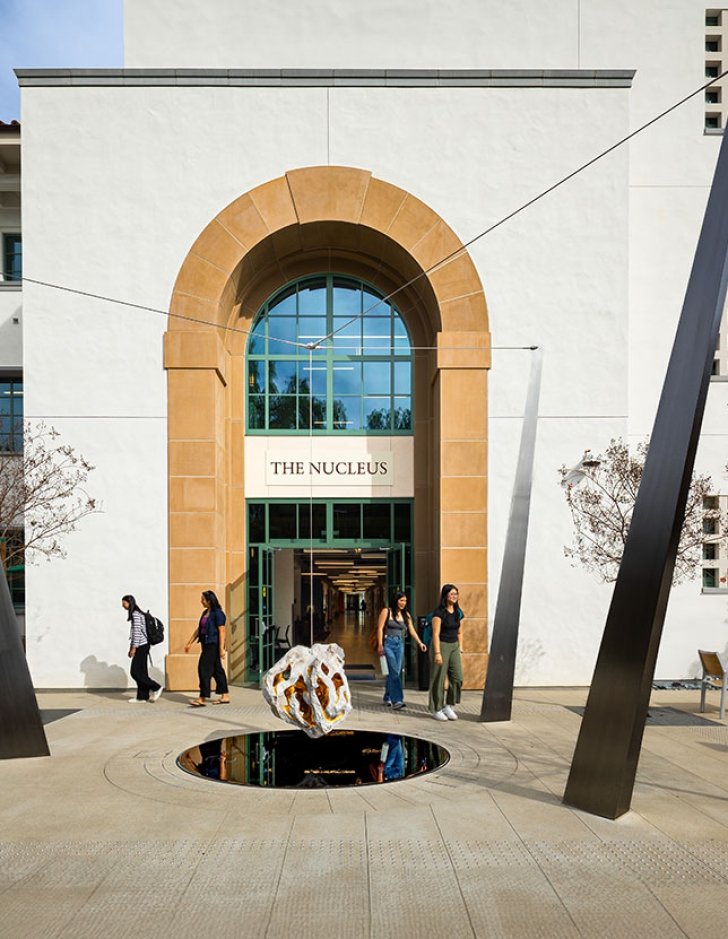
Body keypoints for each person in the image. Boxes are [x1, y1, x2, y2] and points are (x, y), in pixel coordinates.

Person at [376, 591, 427, 710]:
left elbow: (412, 630)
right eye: (401, 600)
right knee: (394, 671)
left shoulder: (406, 615)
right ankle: (397, 700)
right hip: (388, 643)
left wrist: (420, 643)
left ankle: (387, 696)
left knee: (395, 672)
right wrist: (380, 644)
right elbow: (379, 628)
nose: (403, 603)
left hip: (400, 644)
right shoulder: (386, 611)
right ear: (395, 600)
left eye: (405, 601)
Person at [184, 590, 230, 707]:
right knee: (217, 670)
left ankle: (202, 697)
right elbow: (199, 629)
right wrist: (190, 642)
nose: (201, 601)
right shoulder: (205, 612)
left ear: (209, 601)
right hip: (205, 644)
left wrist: (221, 649)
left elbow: (222, 631)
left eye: (203, 599)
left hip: (213, 645)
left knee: (203, 668)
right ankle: (225, 695)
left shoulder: (218, 614)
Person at [429, 584, 464, 721]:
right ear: (445, 596)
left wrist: (460, 646)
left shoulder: (458, 612)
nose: (454, 596)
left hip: (454, 645)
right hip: (441, 645)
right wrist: (437, 653)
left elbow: (460, 631)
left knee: (457, 678)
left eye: (456, 594)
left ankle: (449, 705)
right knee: (439, 678)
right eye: (451, 594)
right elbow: (436, 634)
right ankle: (436, 708)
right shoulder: (439, 613)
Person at [122, 594, 163, 704]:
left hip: (141, 646)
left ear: (129, 602)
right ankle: (142, 697)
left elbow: (137, 633)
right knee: (142, 672)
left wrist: (133, 648)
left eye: (124, 603)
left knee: (135, 672)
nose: (123, 606)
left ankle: (156, 687)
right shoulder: (138, 613)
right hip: (143, 645)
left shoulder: (136, 614)